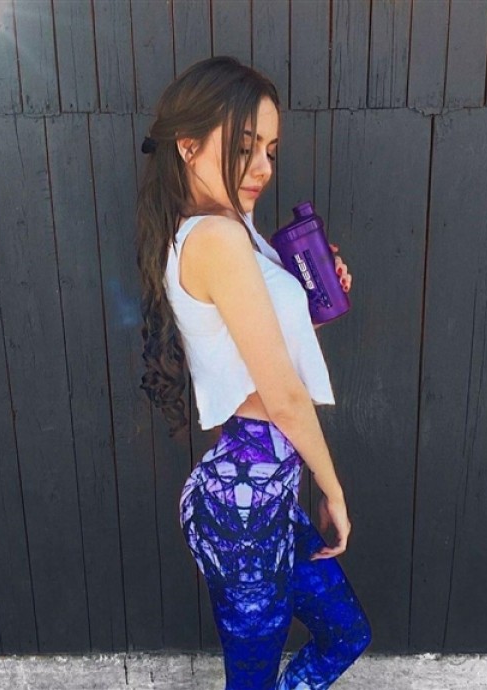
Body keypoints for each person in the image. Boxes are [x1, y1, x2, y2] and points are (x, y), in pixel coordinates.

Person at [135, 55, 371, 690]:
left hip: (265, 490)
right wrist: (334, 491)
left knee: (346, 634)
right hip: (244, 506)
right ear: (188, 145)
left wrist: (313, 302)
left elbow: (258, 352)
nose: (263, 167)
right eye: (244, 147)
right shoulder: (215, 238)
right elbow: (284, 395)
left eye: (270, 149)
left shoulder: (228, 228)